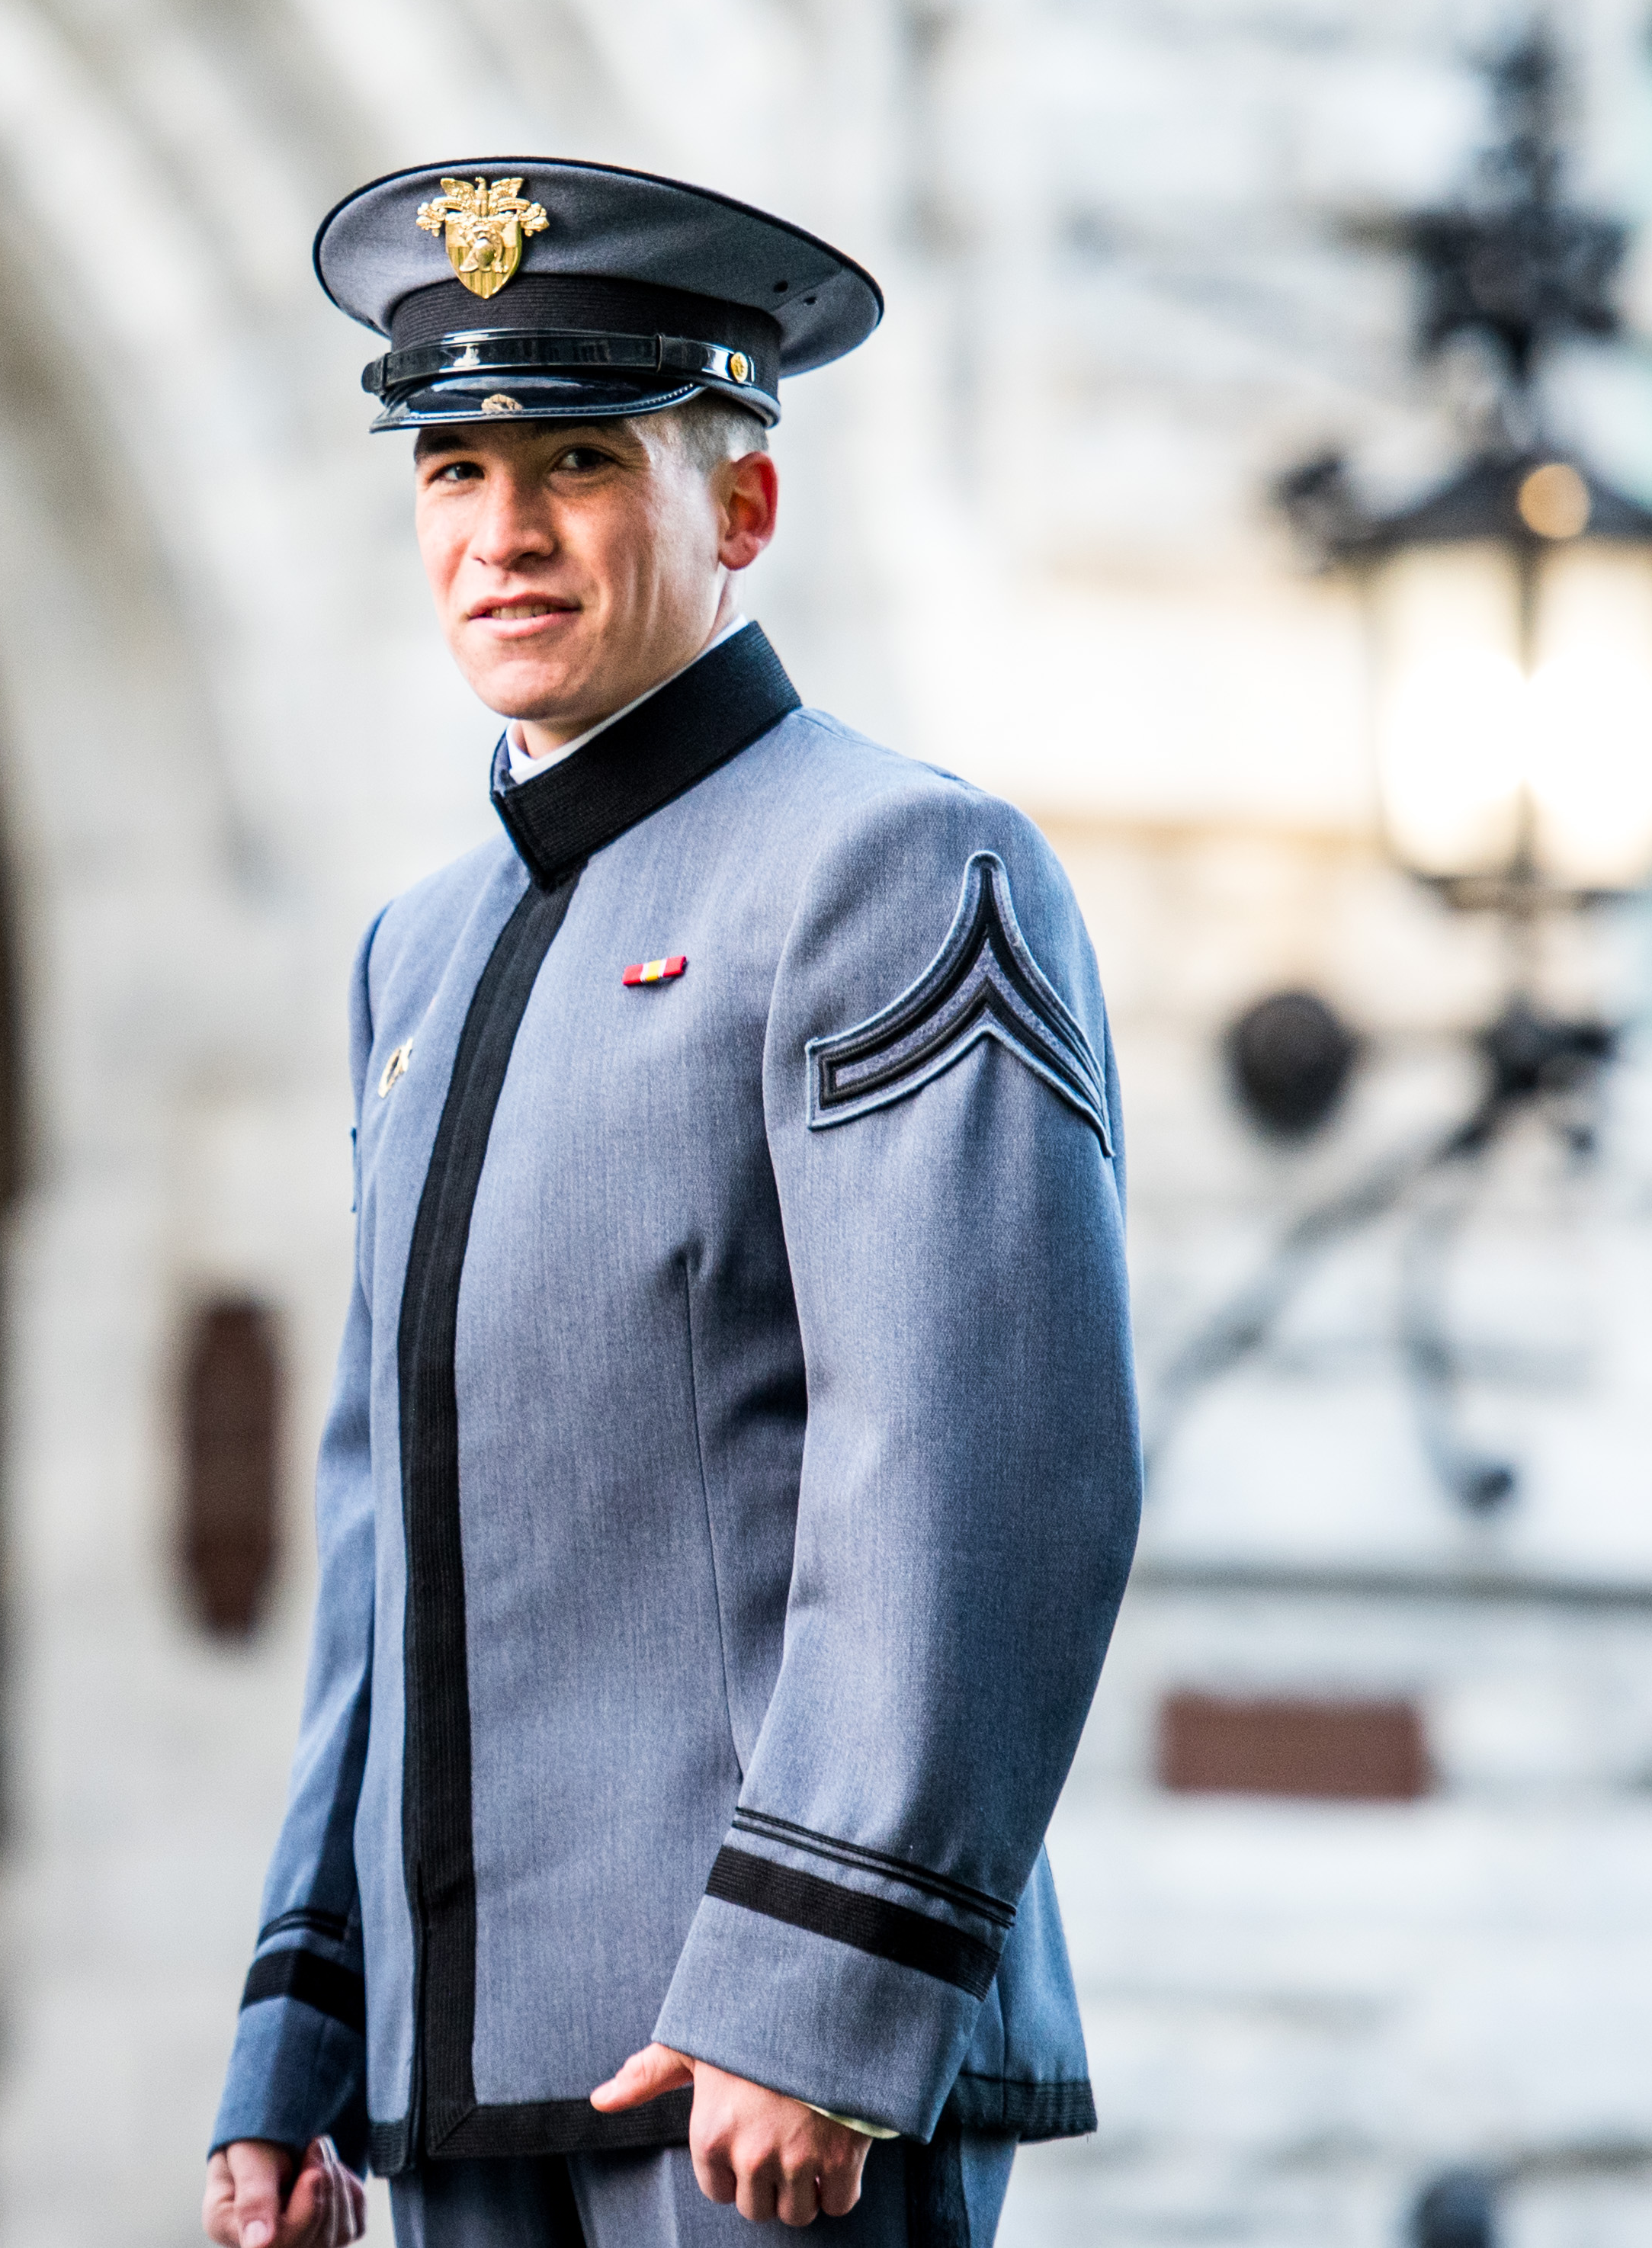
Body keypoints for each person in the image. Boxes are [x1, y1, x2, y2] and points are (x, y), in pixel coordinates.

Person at [198, 162, 1143, 2248]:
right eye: (453, 469)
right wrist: (300, 2036)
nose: (502, 534)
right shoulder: (414, 955)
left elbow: (981, 1465)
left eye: (580, 464)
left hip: (759, 2081)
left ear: (743, 510)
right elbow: (383, 1545)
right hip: (461, 2081)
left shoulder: (901, 867)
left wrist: (826, 1992)